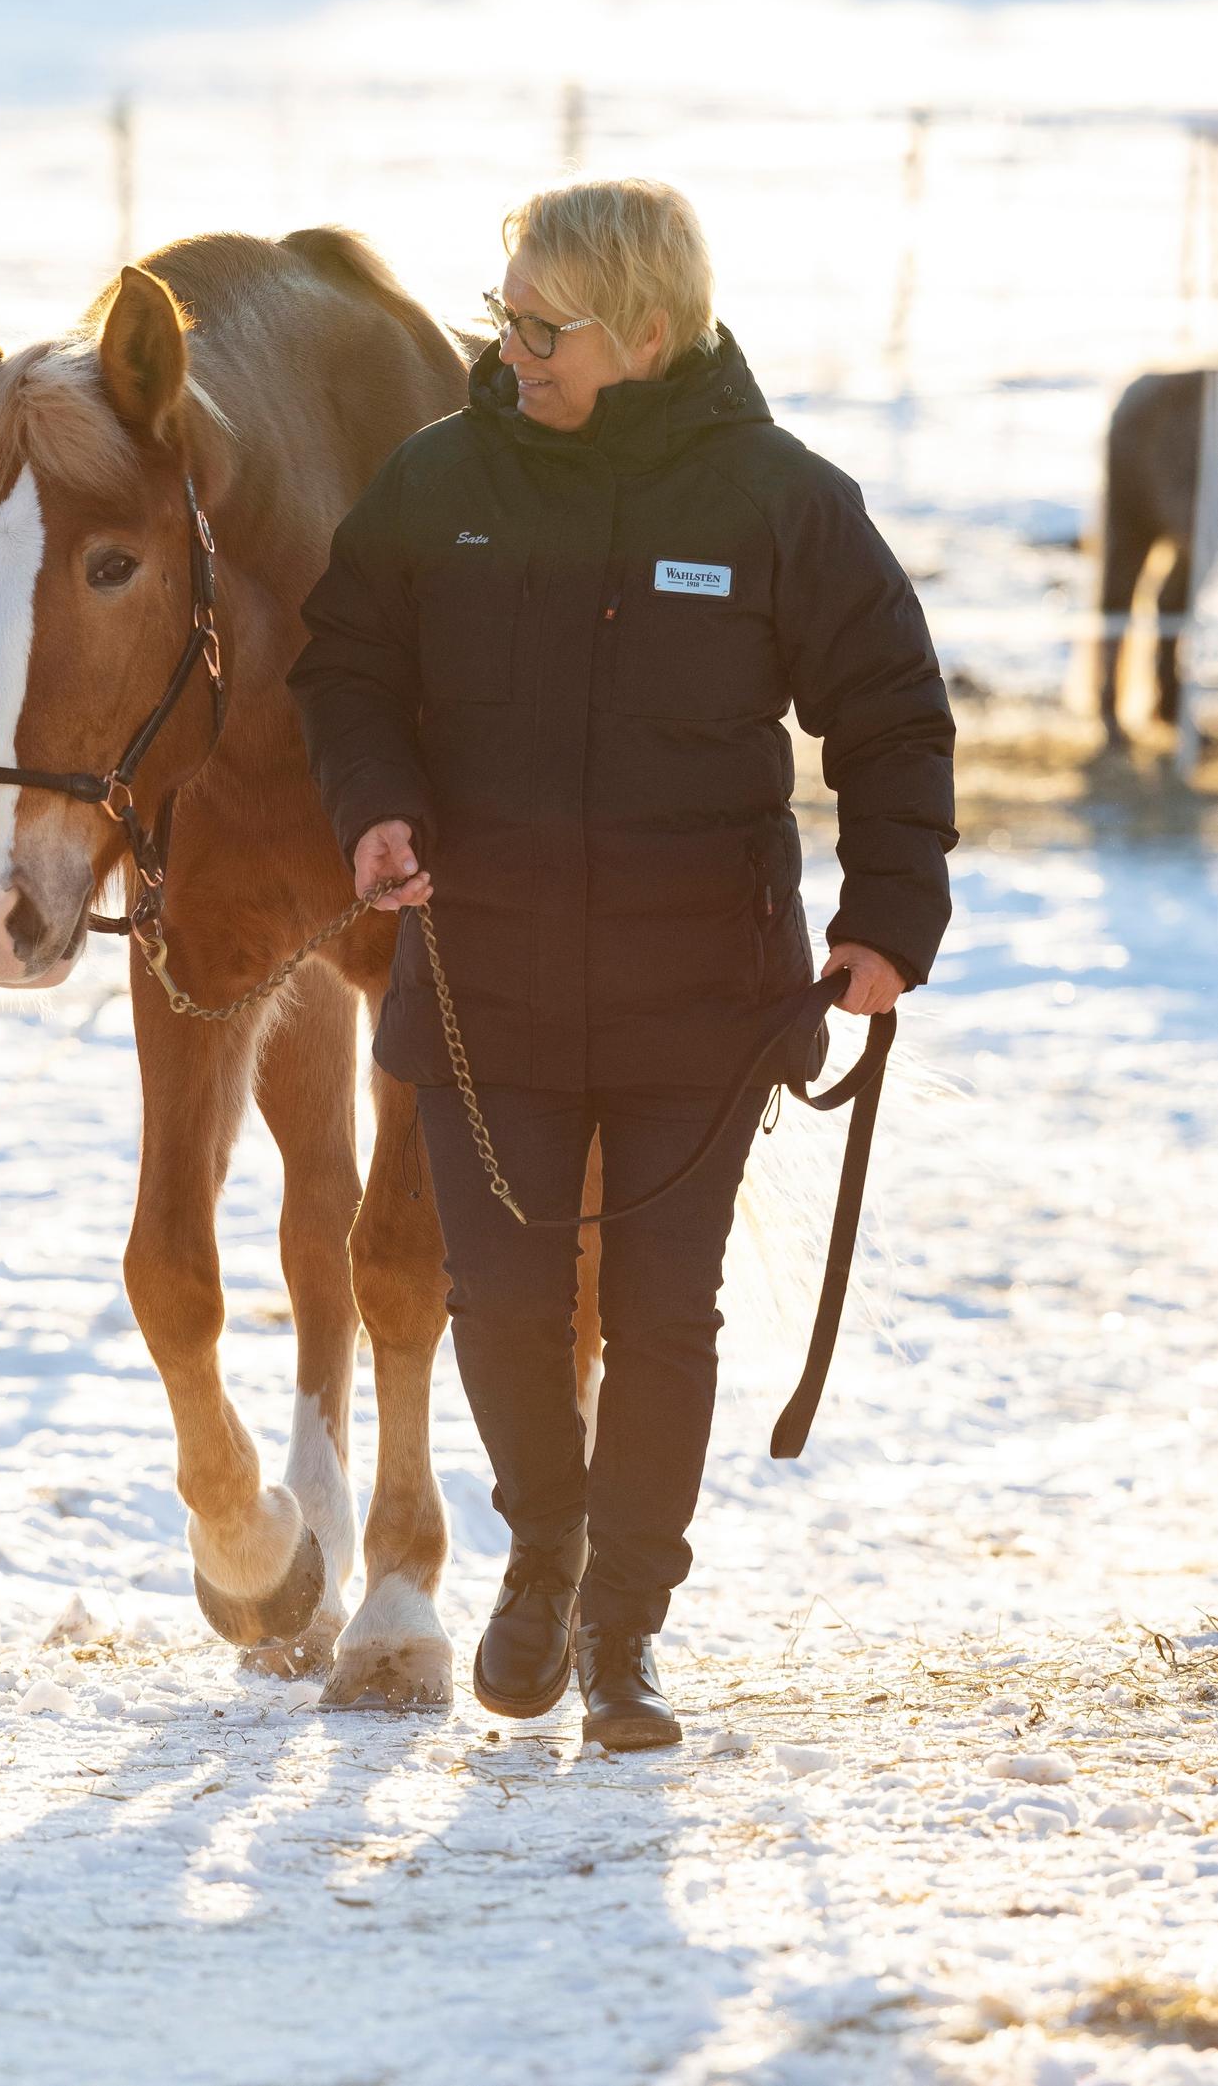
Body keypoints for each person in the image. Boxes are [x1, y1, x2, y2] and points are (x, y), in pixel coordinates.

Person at [286, 178, 956, 1750]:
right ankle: (541, 1555)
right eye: (502, 315)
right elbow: (345, 663)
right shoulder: (436, 483)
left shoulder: (781, 501)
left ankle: (624, 1627)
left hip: (701, 1001)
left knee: (662, 1316)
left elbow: (889, 710)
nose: (509, 349)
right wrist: (375, 805)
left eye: (544, 326)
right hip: (482, 987)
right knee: (504, 1300)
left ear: (645, 333)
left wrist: (885, 917)